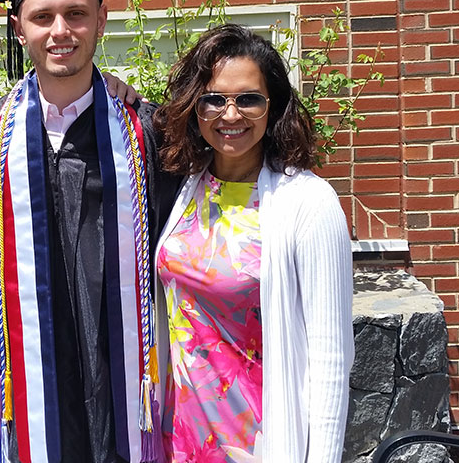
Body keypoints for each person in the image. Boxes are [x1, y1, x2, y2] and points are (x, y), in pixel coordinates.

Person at [0, 0, 178, 463]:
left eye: (77, 13)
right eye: (42, 17)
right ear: (18, 29)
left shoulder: (145, 131)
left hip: (121, 372)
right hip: (24, 376)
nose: (61, 30)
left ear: (101, 20)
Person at [152, 23, 354, 462]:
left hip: (260, 441)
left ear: (272, 105)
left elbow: (331, 361)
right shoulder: (185, 187)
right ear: (194, 106)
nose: (230, 114)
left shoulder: (308, 204)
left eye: (248, 99)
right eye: (213, 99)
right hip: (179, 439)